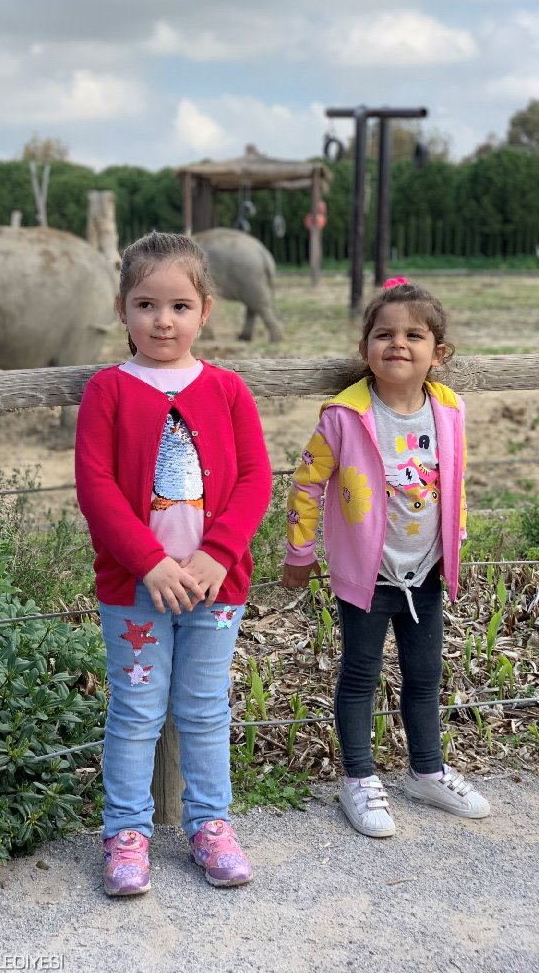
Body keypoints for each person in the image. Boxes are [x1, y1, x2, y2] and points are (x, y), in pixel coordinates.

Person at [76, 231, 272, 895]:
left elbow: (255, 479)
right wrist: (150, 562)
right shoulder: (108, 391)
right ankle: (126, 832)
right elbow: (96, 488)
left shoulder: (227, 390)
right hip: (135, 590)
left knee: (204, 708)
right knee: (136, 710)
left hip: (216, 588)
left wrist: (218, 554)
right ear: (122, 309)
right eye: (147, 304)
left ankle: (210, 824)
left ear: (205, 311)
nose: (163, 320)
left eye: (180, 306)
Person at [281, 277, 490, 838]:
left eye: (413, 335)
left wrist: (455, 549)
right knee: (360, 674)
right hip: (367, 575)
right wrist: (300, 551)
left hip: (425, 572)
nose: (398, 343)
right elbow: (307, 483)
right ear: (364, 349)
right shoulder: (344, 416)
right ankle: (358, 777)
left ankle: (428, 770)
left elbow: (457, 482)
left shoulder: (449, 409)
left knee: (424, 675)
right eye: (384, 334)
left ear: (438, 353)